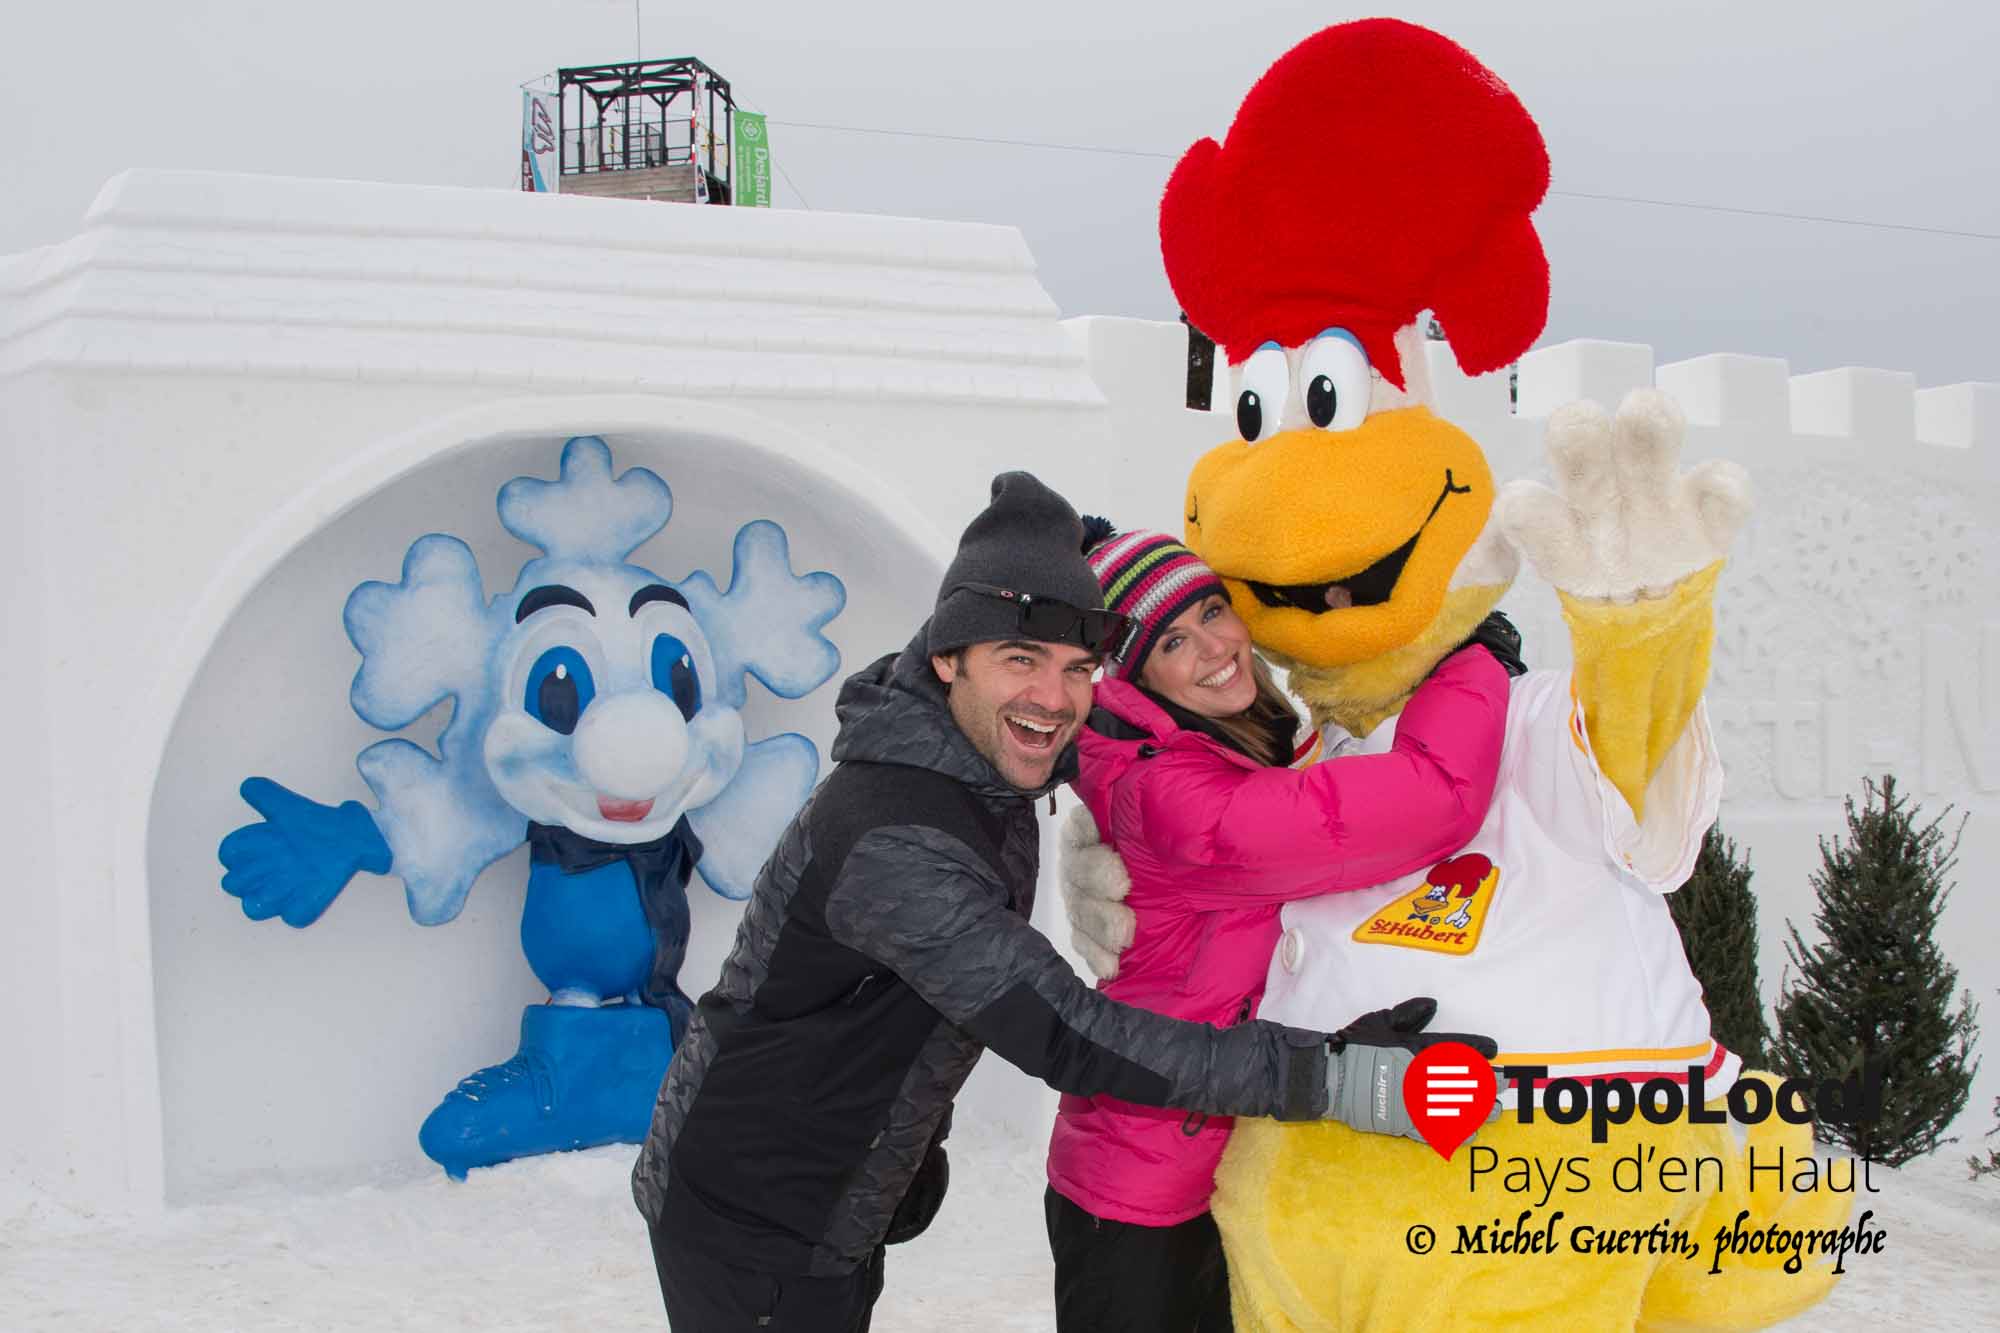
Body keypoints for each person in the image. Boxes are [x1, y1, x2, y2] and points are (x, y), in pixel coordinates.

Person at [631, 472, 1495, 1332]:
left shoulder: (969, 750)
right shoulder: (897, 837)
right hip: (753, 1213)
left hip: (831, 1186)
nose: (1052, 696)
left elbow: (1121, 721)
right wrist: (1327, 1075)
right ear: (947, 657)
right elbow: (1067, 1034)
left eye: (1077, 667)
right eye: (1020, 659)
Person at [1043, 523, 1520, 1332]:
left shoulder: (1237, 740)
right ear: (1136, 677)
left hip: (1221, 1158)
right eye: (1172, 642)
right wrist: (1464, 656)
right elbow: (1434, 795)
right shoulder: (1183, 802)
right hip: (1140, 1193)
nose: (1213, 647)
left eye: (1211, 611)